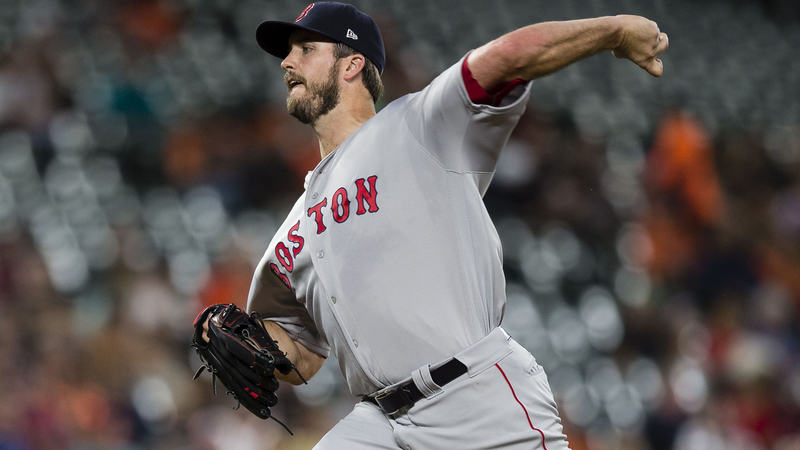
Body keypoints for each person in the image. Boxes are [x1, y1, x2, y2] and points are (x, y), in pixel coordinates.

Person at [213, 2, 668, 448]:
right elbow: (302, 357)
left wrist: (615, 30)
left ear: (352, 64)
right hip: (380, 421)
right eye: (288, 53)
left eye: (306, 48)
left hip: (474, 397)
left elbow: (511, 55)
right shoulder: (291, 234)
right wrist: (241, 341)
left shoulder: (420, 125)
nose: (287, 61)